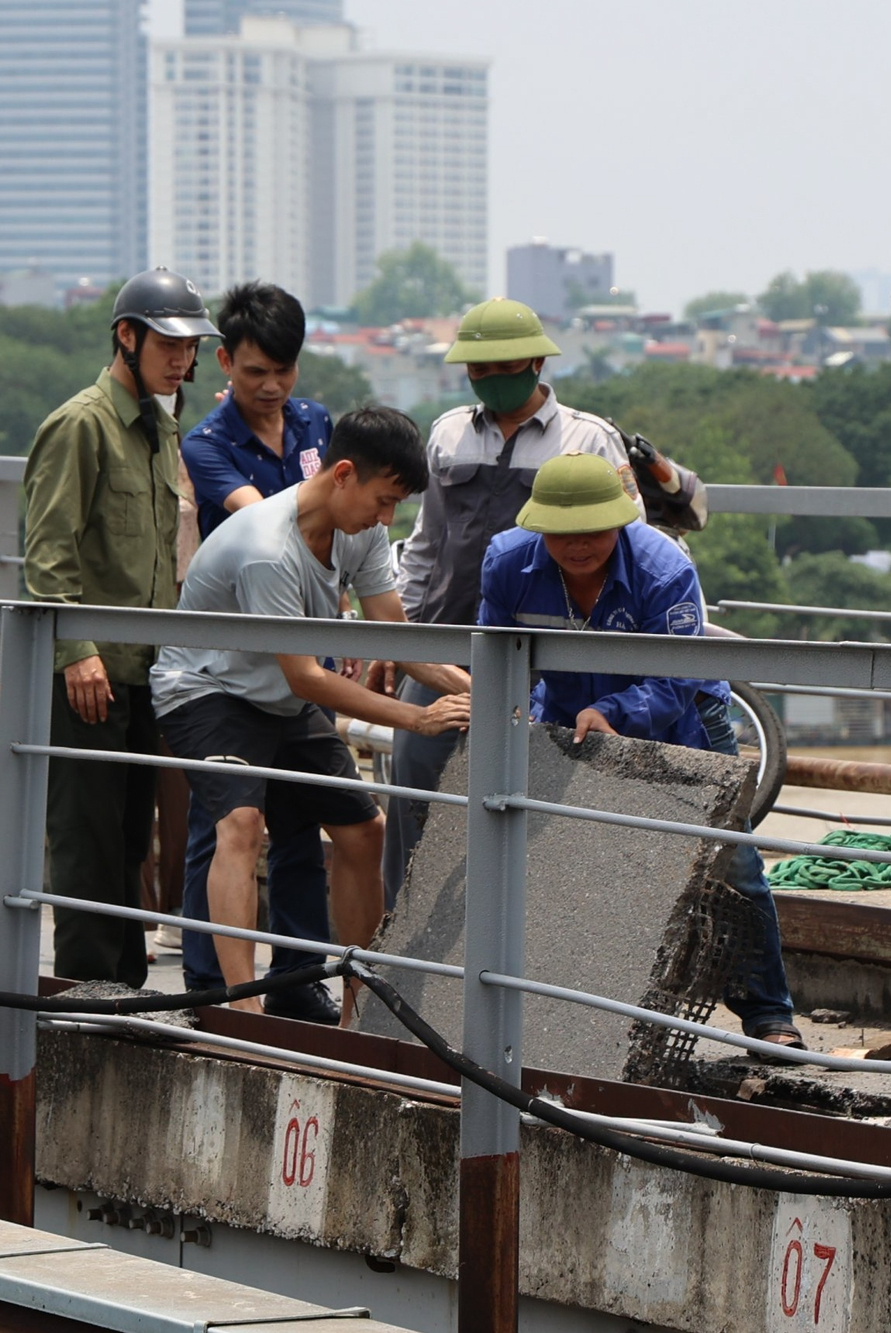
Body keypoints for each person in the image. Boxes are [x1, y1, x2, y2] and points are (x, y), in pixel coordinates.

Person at [151, 407, 472, 1022]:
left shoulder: (363, 528)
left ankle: (358, 1010)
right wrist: (419, 719)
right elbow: (308, 675)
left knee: (363, 829)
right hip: (208, 686)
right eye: (383, 501)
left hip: (278, 691)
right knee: (241, 825)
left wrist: (473, 690)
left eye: (395, 506)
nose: (387, 519)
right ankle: (240, 1012)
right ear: (344, 474)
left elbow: (393, 631)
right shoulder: (267, 546)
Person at [478, 454, 801, 1049]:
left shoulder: (663, 568)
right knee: (573, 857)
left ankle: (767, 1015)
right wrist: (504, 720)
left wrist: (615, 714)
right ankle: (576, 1008)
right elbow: (499, 660)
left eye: (594, 532)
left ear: (621, 522)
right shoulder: (505, 564)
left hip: (683, 717)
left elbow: (675, 678)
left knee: (732, 865)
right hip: (566, 716)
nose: (578, 547)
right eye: (562, 534)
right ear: (538, 528)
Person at [381, 299, 636, 899]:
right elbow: (425, 544)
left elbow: (626, 543)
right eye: (479, 368)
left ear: (538, 360)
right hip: (445, 649)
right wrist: (398, 635)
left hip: (541, 656)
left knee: (532, 813)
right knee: (415, 800)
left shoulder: (589, 439)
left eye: (505, 365)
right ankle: (402, 954)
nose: (492, 379)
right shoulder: (446, 434)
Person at [22, 267, 219, 987]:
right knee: (87, 843)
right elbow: (48, 557)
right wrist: (77, 652)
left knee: (134, 838)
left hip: (145, 673)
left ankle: (124, 991)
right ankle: (82, 994)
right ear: (126, 337)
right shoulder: (81, 424)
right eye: (168, 341)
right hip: (90, 674)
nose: (182, 358)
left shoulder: (162, 428)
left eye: (191, 345)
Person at [174, 281, 344, 1021]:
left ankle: (297, 976)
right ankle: (212, 980)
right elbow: (272, 519)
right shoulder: (209, 445)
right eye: (254, 373)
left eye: (284, 369)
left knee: (304, 820)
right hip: (231, 666)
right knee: (226, 821)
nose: (271, 387)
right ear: (224, 363)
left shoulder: (314, 424)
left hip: (302, 653)